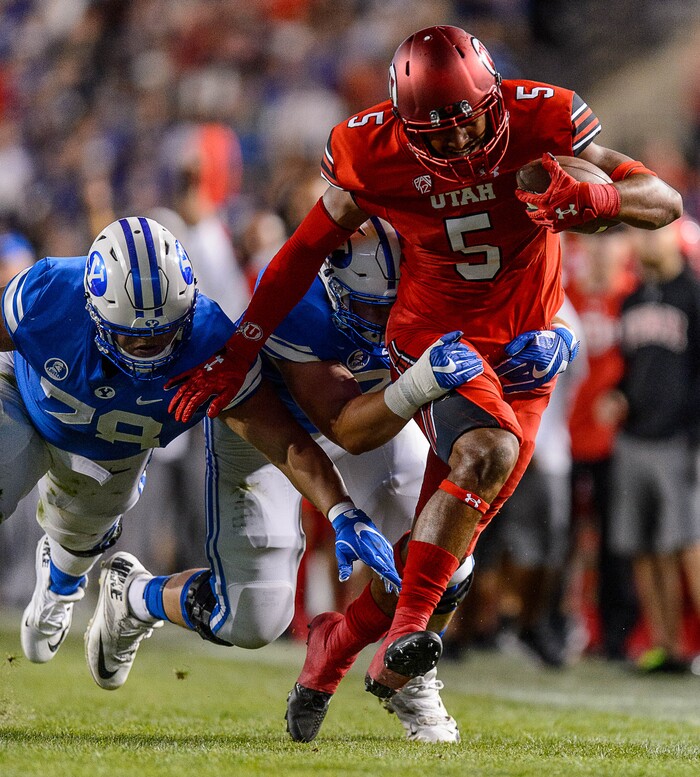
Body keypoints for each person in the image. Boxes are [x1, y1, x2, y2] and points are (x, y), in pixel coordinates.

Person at [165, 25, 682, 737]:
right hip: (433, 341)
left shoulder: (545, 116)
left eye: (465, 125)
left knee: (448, 557)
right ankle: (402, 648)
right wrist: (240, 346)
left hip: (523, 350)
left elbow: (664, 202)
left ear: (494, 98)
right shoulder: (370, 150)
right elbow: (299, 253)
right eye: (431, 137)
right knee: (485, 457)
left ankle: (337, 642)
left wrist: (595, 204)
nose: (453, 148)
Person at [86, 216, 483, 744]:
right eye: (366, 307)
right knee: (251, 619)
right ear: (334, 284)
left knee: (447, 545)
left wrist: (532, 351)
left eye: (390, 304)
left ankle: (413, 677)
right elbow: (340, 424)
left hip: (377, 416)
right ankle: (135, 596)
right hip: (274, 431)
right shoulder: (299, 302)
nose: (380, 319)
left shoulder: (429, 285)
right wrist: (419, 385)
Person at [0, 215, 412, 673]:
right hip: (21, 395)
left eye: (164, 334)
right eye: (135, 339)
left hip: (110, 450)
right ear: (95, 310)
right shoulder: (49, 293)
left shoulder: (209, 342)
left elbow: (281, 440)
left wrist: (340, 510)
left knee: (79, 538)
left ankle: (61, 586)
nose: (151, 351)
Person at [600, 221, 700, 672]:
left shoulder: (694, 295)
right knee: (644, 546)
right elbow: (633, 367)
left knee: (688, 545)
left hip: (680, 439)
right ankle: (666, 645)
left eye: (652, 231)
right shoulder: (633, 299)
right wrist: (619, 393)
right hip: (634, 437)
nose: (643, 240)